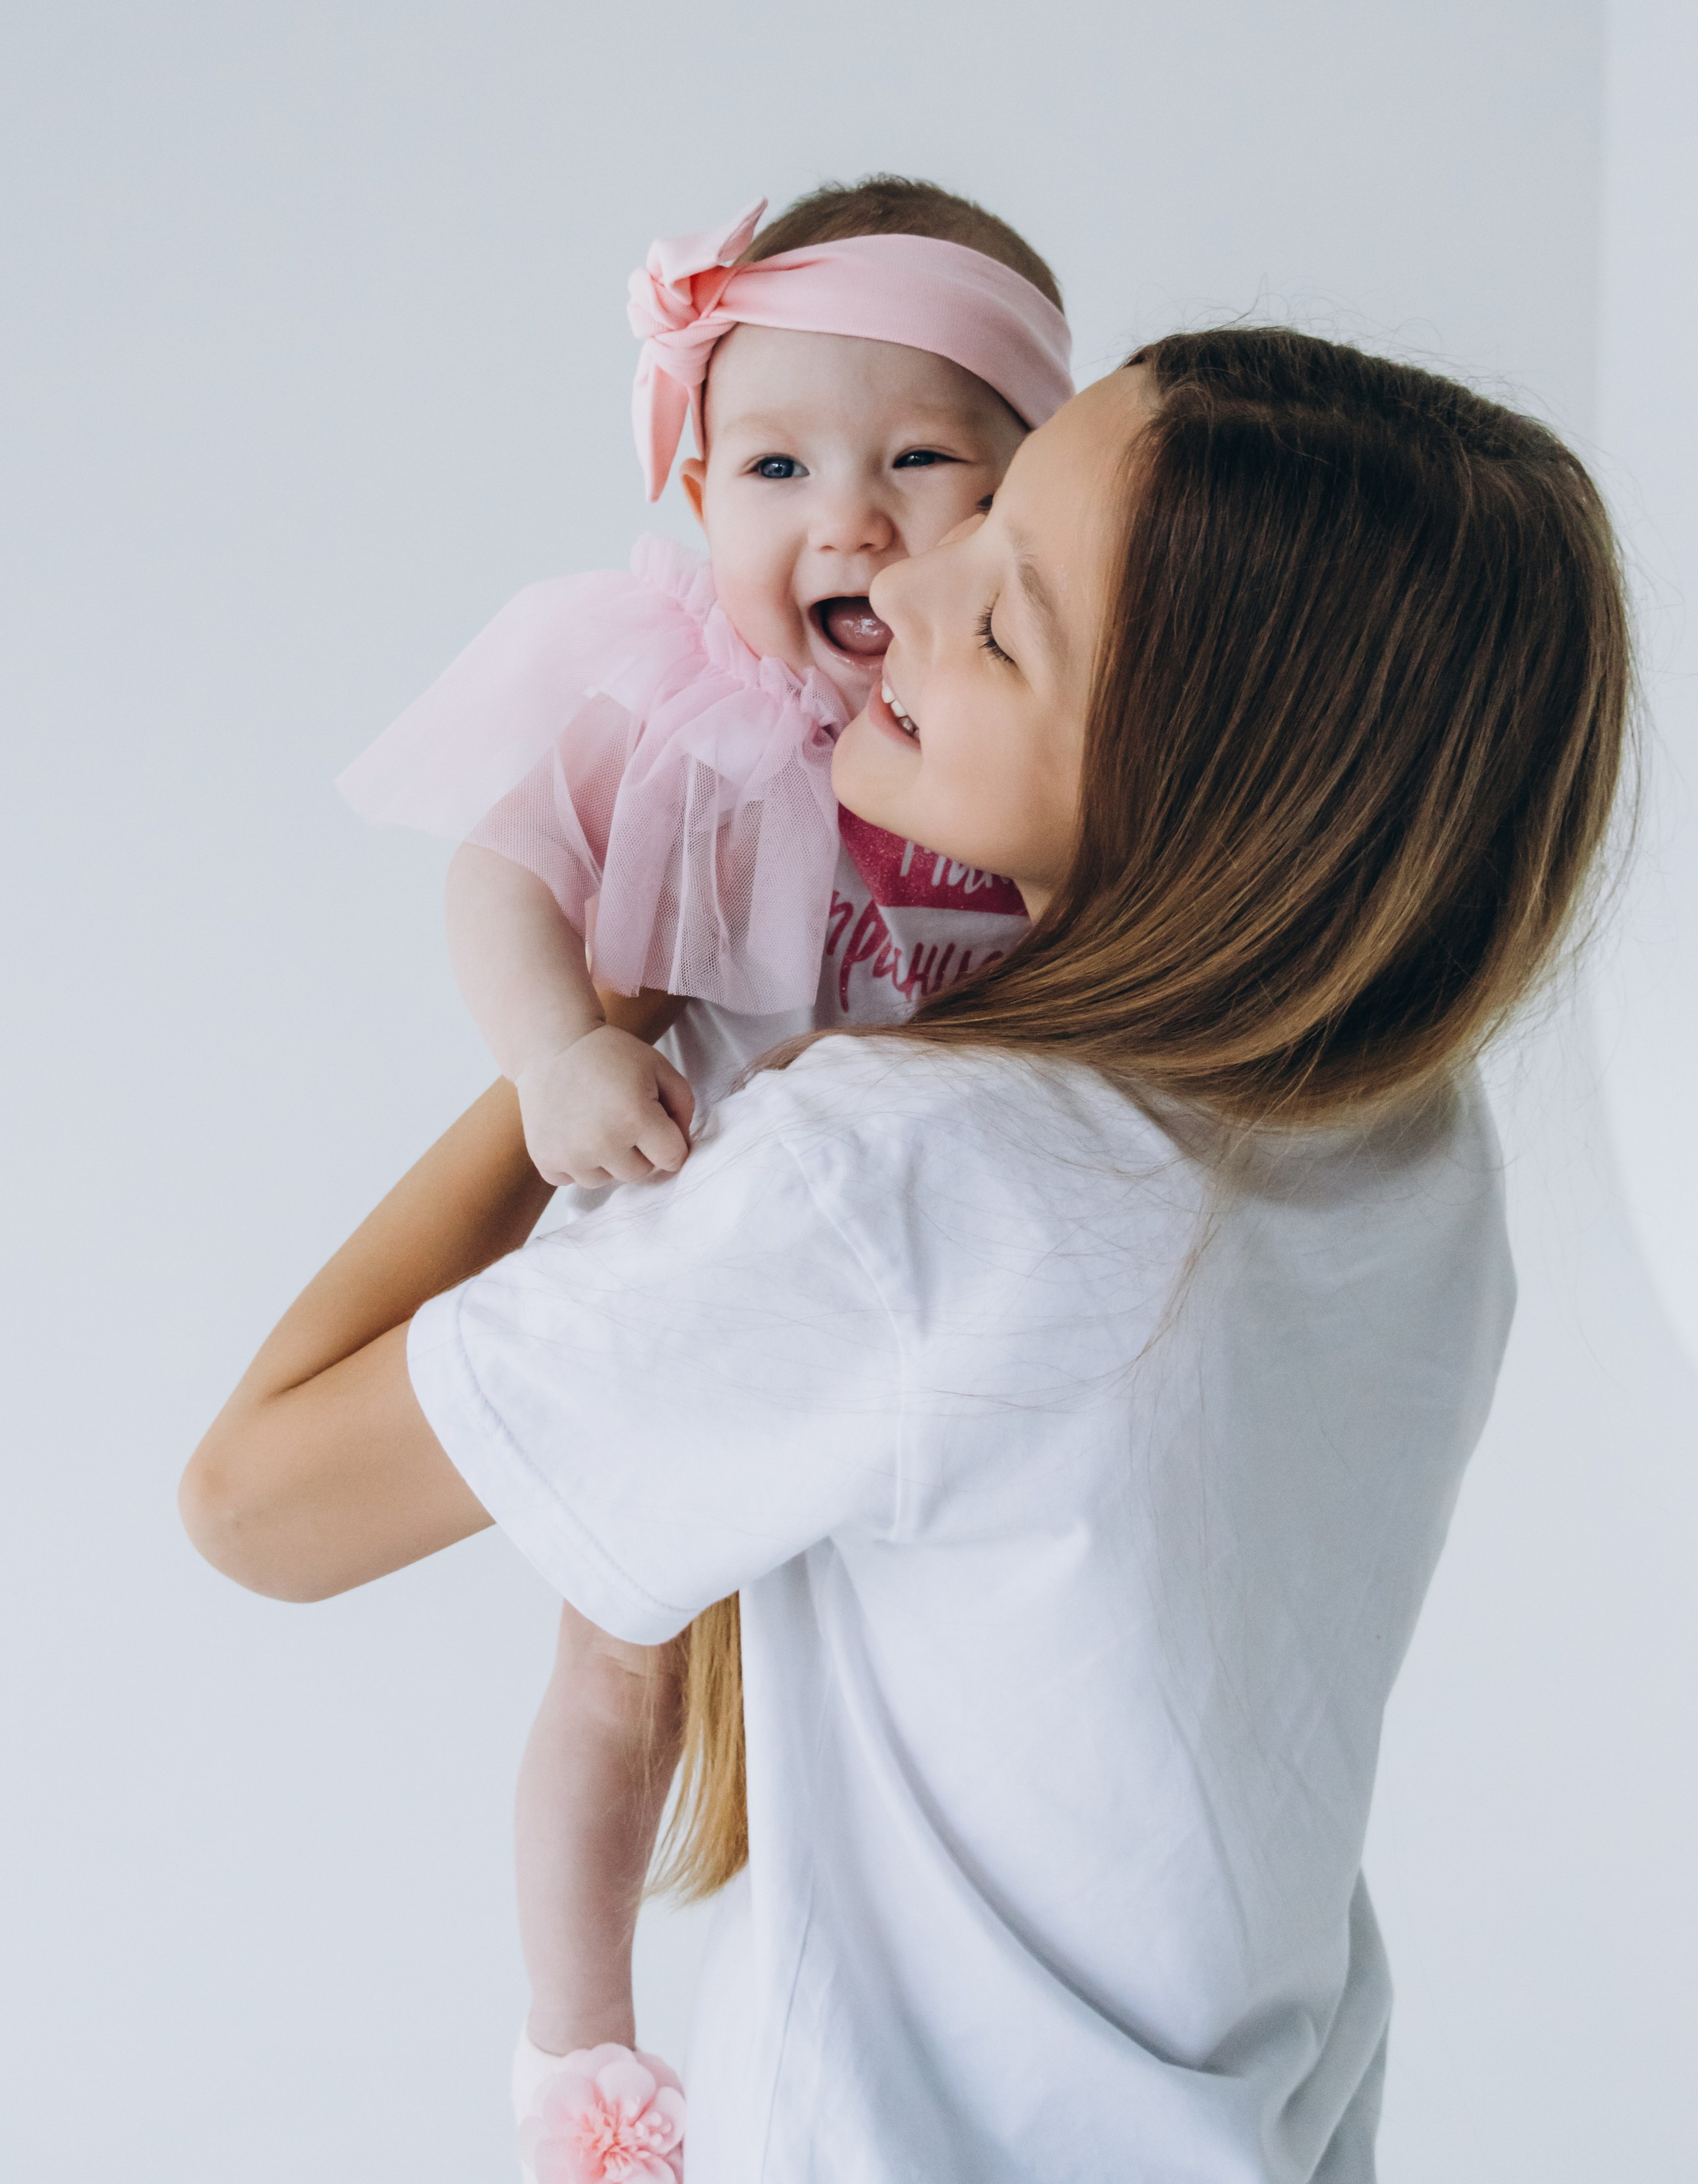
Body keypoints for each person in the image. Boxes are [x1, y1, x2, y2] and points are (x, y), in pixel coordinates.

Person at [183, 326, 1629, 2184]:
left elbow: (256, 1504)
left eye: (1008, 621)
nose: (899, 577)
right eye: (992, 503)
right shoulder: (1410, 1142)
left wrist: (608, 1004)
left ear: (1210, 803)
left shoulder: (919, 1181)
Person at [330, 176, 1075, 2149]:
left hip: (930, 1314)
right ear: (692, 495)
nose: (849, 515)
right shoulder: (692, 706)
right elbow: (505, 872)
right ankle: (577, 2051)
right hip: (697, 1246)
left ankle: (884, 2037)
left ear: (1038, 492)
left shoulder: (1044, 725)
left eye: (926, 457)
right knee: (620, 1675)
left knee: (887, 1695)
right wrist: (560, 1049)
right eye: (774, 465)